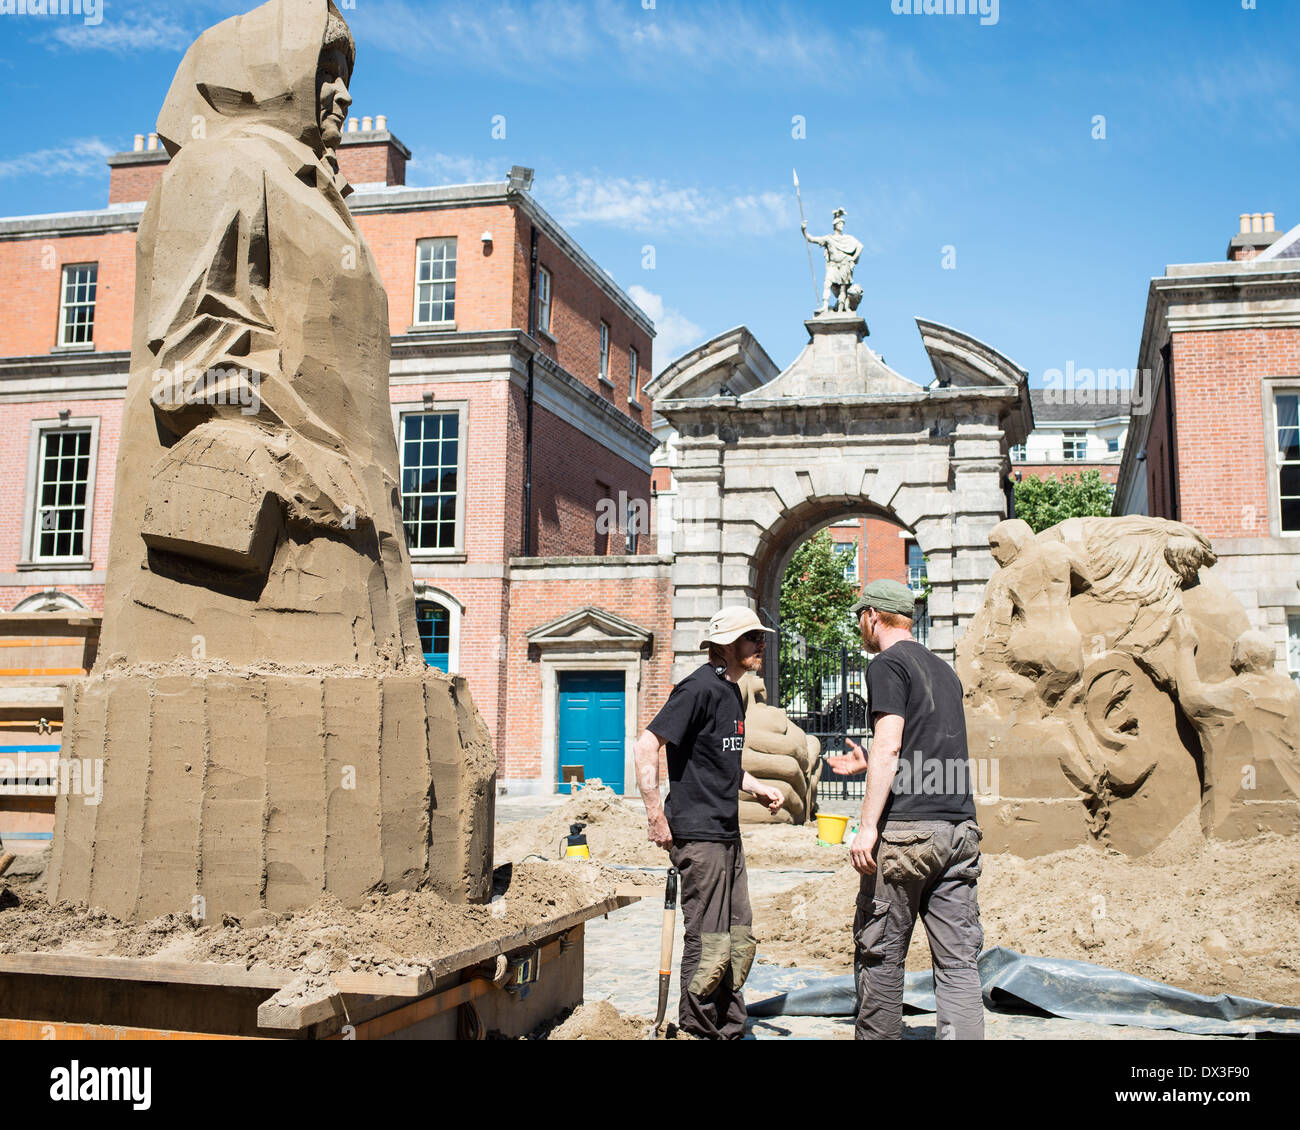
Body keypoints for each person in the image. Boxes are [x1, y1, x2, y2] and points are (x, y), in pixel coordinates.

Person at [826, 579, 985, 1040]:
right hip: (959, 831)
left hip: (907, 837)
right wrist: (867, 762)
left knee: (881, 956)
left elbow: (891, 744)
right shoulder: (944, 669)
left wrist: (867, 827)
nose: (861, 624)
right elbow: (930, 747)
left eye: (861, 616)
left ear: (873, 616)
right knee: (958, 963)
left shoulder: (887, 664)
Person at [632, 607, 784, 1039]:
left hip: (726, 834)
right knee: (708, 943)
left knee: (738, 938)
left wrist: (756, 787)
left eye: (760, 636)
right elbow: (647, 745)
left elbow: (720, 763)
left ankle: (730, 1027)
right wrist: (654, 815)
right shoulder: (696, 688)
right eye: (752, 637)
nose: (761, 644)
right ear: (727, 643)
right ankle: (698, 1031)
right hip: (699, 837)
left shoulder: (731, 692)